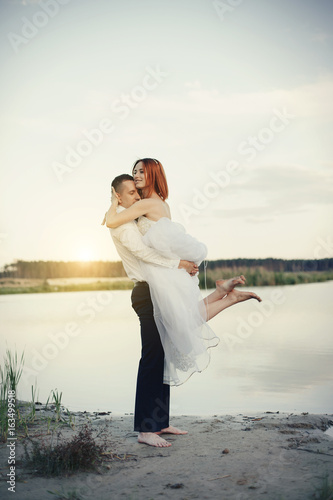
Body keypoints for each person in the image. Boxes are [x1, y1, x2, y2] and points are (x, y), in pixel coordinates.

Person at [103, 161, 262, 407]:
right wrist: (181, 264)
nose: (136, 177)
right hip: (158, 280)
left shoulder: (145, 205)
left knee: (166, 344)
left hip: (158, 279)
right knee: (171, 338)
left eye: (141, 172)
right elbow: (150, 239)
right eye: (134, 173)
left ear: (153, 175)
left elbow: (112, 221)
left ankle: (155, 424)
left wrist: (114, 202)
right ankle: (224, 295)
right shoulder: (158, 206)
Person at [103, 174, 198, 448]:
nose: (137, 196)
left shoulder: (124, 215)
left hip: (155, 290)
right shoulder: (123, 226)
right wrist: (178, 263)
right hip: (145, 293)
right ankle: (145, 429)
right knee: (151, 358)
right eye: (131, 192)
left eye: (137, 191)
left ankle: (161, 421)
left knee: (163, 356)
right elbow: (144, 254)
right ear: (119, 195)